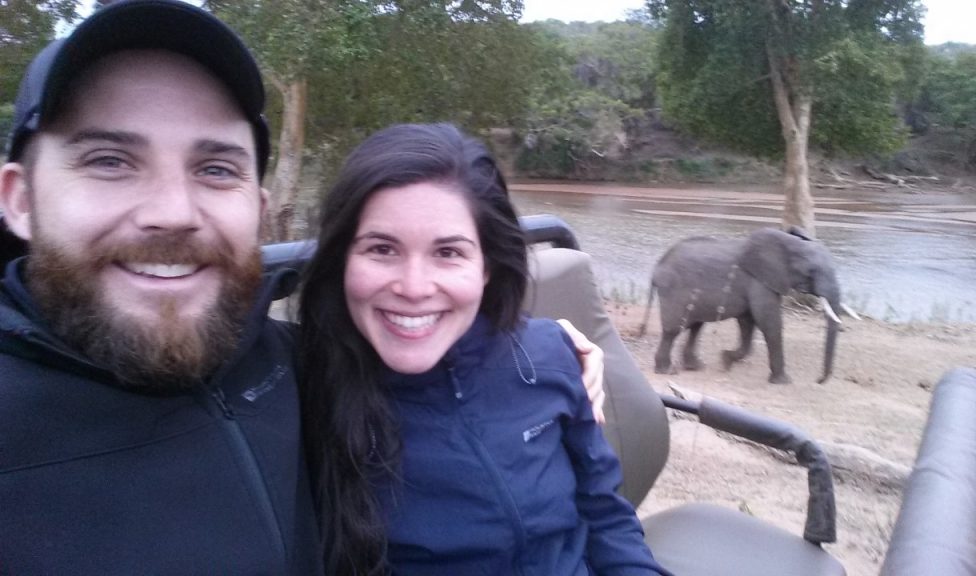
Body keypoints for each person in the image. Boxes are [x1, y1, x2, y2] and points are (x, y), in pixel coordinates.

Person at [0, 2, 604, 573]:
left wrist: (551, 344)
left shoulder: (297, 361)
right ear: (19, 199)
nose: (172, 212)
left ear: (259, 210)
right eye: (109, 159)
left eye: (214, 169)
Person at [298, 123, 669, 576]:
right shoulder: (299, 390)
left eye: (448, 253)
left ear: (487, 267)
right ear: (342, 260)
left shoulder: (548, 353)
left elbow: (606, 514)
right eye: (382, 248)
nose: (414, 288)